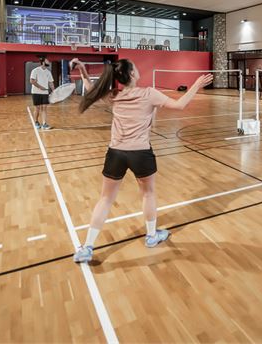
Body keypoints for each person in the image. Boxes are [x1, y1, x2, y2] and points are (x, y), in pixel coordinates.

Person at [70, 58, 213, 263]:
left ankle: (87, 247)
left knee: (105, 199)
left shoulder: (113, 95)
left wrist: (83, 71)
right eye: (135, 68)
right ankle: (151, 236)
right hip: (141, 153)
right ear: (131, 75)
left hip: (116, 153)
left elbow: (90, 88)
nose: (138, 69)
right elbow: (180, 105)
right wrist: (197, 85)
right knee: (148, 193)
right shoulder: (149, 94)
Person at [30, 57, 55, 130]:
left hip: (45, 93)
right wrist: (40, 87)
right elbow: (32, 81)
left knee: (44, 108)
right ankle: (36, 122)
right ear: (43, 62)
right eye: (47, 60)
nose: (49, 61)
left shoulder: (48, 72)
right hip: (36, 92)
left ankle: (44, 124)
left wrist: (54, 90)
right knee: (37, 108)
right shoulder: (35, 70)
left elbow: (51, 83)